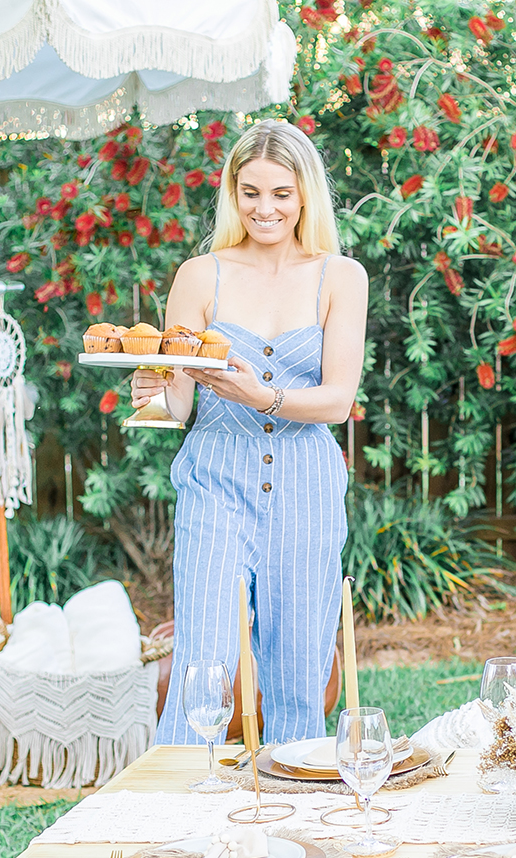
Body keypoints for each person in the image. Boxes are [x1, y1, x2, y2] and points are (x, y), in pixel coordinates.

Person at [131, 119, 368, 744]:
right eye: (251, 191)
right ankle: (177, 827)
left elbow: (339, 400)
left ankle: (293, 820)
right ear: (232, 192)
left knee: (298, 676)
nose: (265, 208)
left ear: (304, 195)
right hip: (215, 481)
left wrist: (265, 395)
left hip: (306, 487)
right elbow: (178, 402)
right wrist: (153, 394)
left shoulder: (341, 277)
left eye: (281, 194)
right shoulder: (199, 275)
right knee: (203, 668)